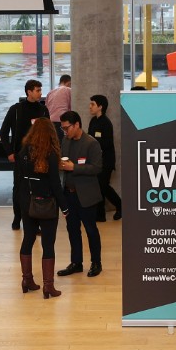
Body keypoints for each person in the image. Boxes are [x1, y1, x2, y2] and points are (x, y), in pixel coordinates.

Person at [16, 118, 68, 298]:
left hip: (26, 203)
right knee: (48, 243)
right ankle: (48, 286)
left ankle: (26, 279)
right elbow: (55, 184)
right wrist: (65, 208)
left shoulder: (23, 151)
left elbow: (19, 180)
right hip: (47, 204)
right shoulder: (51, 154)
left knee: (28, 239)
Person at [57, 110, 104, 278]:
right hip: (69, 195)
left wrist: (74, 167)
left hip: (87, 195)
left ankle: (96, 262)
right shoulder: (65, 141)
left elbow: (97, 168)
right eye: (62, 128)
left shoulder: (91, 143)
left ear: (76, 125)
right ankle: (76, 262)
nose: (65, 131)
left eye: (66, 128)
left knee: (91, 230)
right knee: (72, 229)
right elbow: (62, 159)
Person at [1, 79, 49, 229]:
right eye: (38, 90)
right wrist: (9, 152)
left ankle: (38, 218)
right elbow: (3, 132)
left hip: (38, 156)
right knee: (19, 187)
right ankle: (17, 217)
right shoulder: (16, 109)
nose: (40, 94)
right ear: (29, 91)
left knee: (39, 187)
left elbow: (48, 133)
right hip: (20, 156)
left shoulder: (43, 110)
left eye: (41, 90)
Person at [88, 94, 122, 222]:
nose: (90, 107)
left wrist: (95, 142)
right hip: (96, 160)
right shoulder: (93, 121)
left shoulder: (106, 123)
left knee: (103, 186)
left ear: (100, 107)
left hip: (106, 161)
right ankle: (100, 215)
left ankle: (120, 205)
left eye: (93, 104)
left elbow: (106, 143)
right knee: (99, 186)